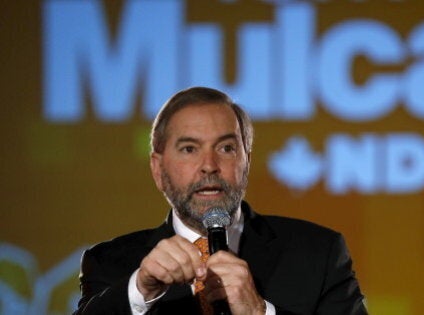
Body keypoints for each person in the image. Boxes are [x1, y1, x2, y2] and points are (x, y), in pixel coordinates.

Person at [74, 87, 367, 315]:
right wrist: (140, 292)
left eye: (226, 148)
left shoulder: (318, 252)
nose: (209, 165)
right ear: (157, 169)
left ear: (246, 162)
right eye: (189, 149)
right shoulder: (111, 264)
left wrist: (259, 312)